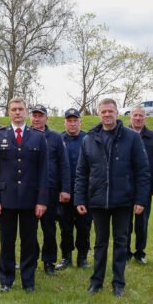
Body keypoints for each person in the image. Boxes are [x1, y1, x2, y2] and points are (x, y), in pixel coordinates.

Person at [74, 98, 150, 297]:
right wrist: (80, 199)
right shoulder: (89, 139)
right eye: (104, 111)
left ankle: (118, 283)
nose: (107, 115)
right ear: (99, 114)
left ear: (117, 113)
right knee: (100, 243)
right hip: (97, 200)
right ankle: (96, 281)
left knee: (120, 242)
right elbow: (82, 172)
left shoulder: (132, 138)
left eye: (110, 111)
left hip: (123, 200)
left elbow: (142, 170)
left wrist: (141, 200)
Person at [0, 96, 48, 293]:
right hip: (6, 200)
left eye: (20, 109)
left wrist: (42, 200)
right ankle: (6, 280)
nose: (17, 112)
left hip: (31, 200)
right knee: (7, 241)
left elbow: (43, 172)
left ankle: (28, 281)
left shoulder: (38, 137)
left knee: (29, 242)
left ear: (26, 112)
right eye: (13, 109)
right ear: (8, 112)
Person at [29, 104, 71, 275]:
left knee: (49, 228)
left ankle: (49, 261)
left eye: (40, 115)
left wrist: (65, 189)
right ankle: (30, 260)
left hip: (50, 189)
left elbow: (64, 164)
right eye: (34, 115)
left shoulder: (55, 137)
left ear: (46, 118)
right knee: (29, 229)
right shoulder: (25, 135)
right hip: (29, 189)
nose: (37, 118)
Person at [127, 105, 153, 264]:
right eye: (135, 115)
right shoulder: (122, 135)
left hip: (144, 187)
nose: (138, 118)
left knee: (142, 223)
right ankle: (125, 252)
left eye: (141, 115)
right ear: (130, 117)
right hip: (125, 186)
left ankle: (140, 252)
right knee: (125, 223)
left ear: (145, 117)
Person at [57, 108, 89, 269]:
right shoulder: (58, 139)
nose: (72, 123)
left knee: (84, 227)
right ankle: (66, 257)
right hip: (64, 192)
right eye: (69, 120)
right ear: (65, 122)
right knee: (65, 227)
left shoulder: (88, 139)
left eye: (75, 120)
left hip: (84, 193)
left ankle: (82, 257)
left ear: (79, 122)